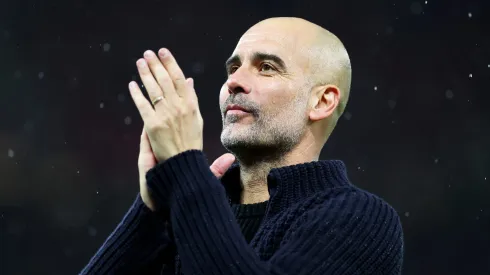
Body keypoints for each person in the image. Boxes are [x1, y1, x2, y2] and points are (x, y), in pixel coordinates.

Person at [81, 17, 404, 274]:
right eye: (233, 68)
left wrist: (186, 170)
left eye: (266, 67)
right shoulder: (184, 216)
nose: (233, 81)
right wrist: (151, 214)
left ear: (321, 101)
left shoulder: (361, 220)